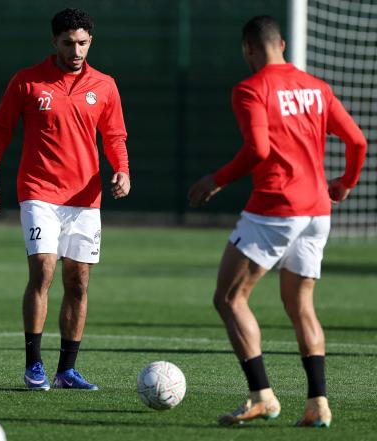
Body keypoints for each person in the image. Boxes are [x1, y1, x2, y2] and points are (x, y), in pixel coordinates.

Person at [189, 15, 367, 428]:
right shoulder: (317, 88)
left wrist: (216, 180)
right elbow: (357, 140)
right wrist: (345, 184)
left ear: (247, 49)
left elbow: (258, 150)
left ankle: (262, 396)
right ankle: (318, 404)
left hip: (275, 207)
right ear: (282, 44)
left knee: (229, 298)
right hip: (317, 210)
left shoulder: (251, 89)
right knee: (300, 306)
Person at [0, 8, 130, 391]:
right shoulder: (28, 82)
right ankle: (34, 365)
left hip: (85, 198)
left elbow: (114, 136)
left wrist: (122, 170)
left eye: (82, 43)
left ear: (91, 41)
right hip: (39, 193)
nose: (75, 51)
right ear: (54, 42)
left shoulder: (105, 85)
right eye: (68, 43)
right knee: (43, 271)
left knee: (78, 282)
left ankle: (67, 370)